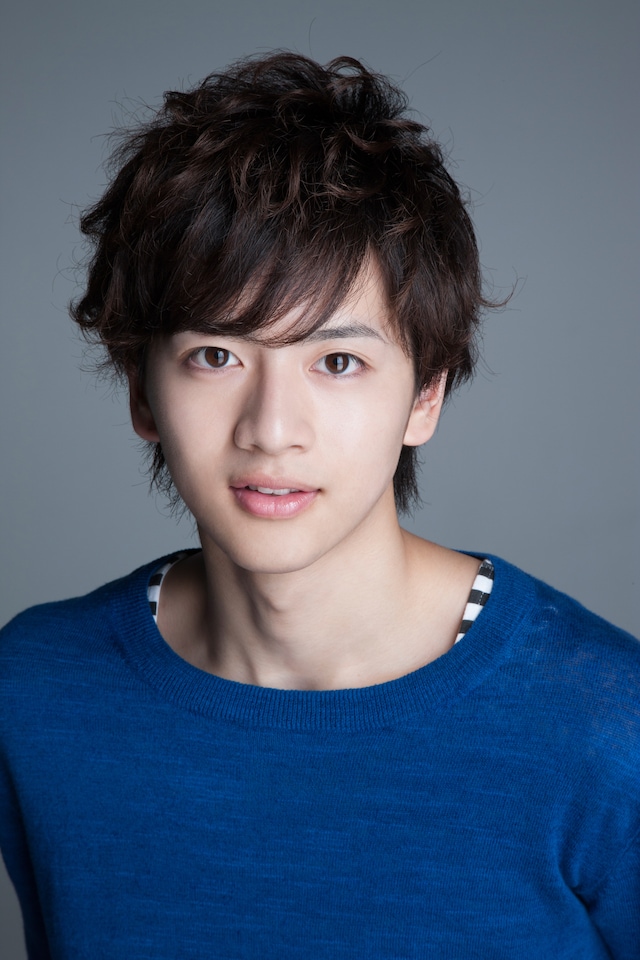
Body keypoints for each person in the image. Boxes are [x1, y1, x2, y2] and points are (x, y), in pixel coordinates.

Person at [0, 52, 638, 959]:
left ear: (425, 397)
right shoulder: (36, 692)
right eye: (216, 356)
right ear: (142, 392)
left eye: (338, 362)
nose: (271, 429)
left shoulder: (605, 726)